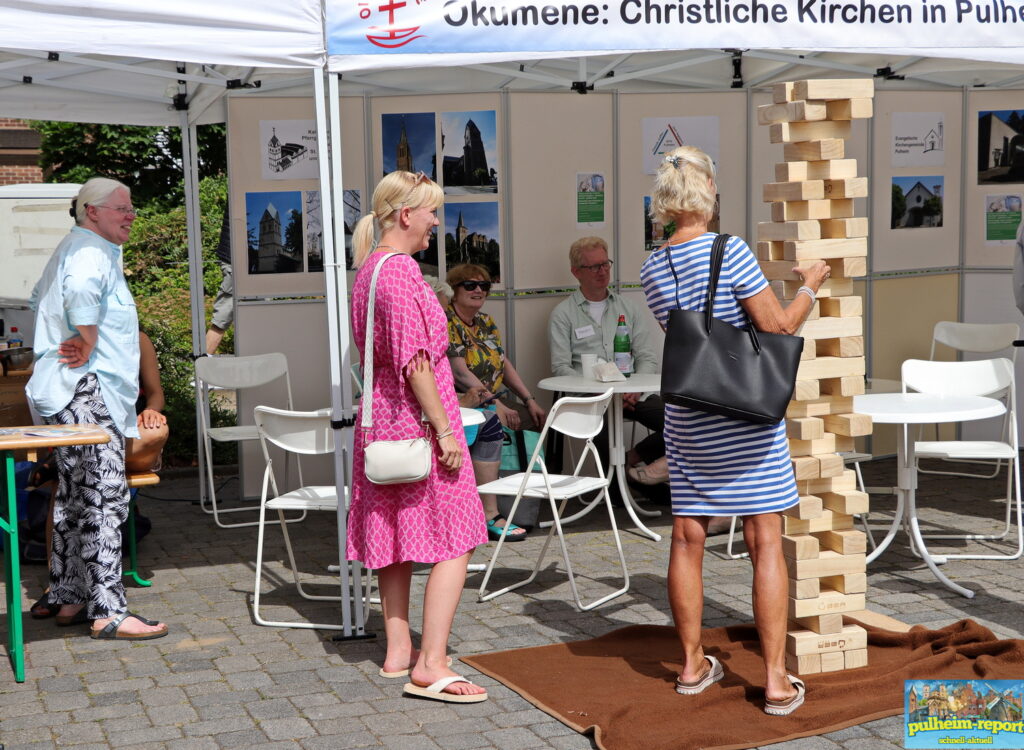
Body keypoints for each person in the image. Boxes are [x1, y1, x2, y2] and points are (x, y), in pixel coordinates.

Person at [640, 146, 829, 715]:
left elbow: (692, 336)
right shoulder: (733, 250)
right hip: (746, 415)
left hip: (690, 414)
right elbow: (775, 328)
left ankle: (693, 665)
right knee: (763, 538)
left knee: (686, 537)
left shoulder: (652, 265)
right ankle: (774, 681)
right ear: (709, 194)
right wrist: (810, 286)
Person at [347, 170, 488, 703]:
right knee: (459, 538)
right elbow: (416, 364)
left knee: (398, 536)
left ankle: (398, 650)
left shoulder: (369, 271)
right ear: (406, 215)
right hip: (417, 422)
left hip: (383, 421)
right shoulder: (402, 271)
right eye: (431, 211)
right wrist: (446, 430)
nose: (435, 221)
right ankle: (430, 664)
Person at [25, 176, 168, 640]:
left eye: (130, 208)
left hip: (74, 391)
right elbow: (81, 293)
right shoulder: (88, 252)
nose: (130, 215)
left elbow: (39, 301)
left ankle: (69, 595)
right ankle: (107, 609)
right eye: (121, 208)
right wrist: (86, 337)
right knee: (104, 499)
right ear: (93, 212)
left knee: (72, 498)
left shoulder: (82, 247)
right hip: (87, 390)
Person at [548, 236, 668, 487]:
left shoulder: (628, 308)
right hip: (592, 400)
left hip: (632, 395)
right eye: (594, 267)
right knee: (603, 449)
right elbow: (561, 369)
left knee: (680, 425)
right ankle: (624, 490)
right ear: (576, 272)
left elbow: (647, 357)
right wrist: (595, 393)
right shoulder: (563, 314)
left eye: (605, 264)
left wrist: (634, 391)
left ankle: (631, 459)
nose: (602, 272)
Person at [445, 263, 546, 540]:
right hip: (462, 403)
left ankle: (523, 506)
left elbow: (504, 364)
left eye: (484, 286)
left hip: (494, 398)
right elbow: (459, 373)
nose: (478, 290)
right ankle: (491, 512)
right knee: (494, 423)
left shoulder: (486, 321)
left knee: (539, 421)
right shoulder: (446, 320)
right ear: (454, 289)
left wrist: (528, 399)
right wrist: (496, 404)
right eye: (470, 285)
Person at [206, 213, 233, 355]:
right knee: (221, 319)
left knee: (261, 316)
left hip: (248, 258)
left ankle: (199, 370)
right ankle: (198, 372)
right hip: (236, 258)